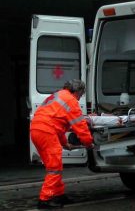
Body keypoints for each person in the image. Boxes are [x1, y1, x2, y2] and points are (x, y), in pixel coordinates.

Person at [30, 79, 93, 209]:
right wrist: (88, 142)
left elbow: (56, 123)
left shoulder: (57, 95)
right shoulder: (71, 100)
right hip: (47, 131)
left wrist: (64, 143)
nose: (80, 97)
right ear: (77, 91)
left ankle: (58, 195)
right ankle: (45, 199)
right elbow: (80, 125)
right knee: (54, 167)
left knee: (54, 166)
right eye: (81, 94)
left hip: (36, 130)